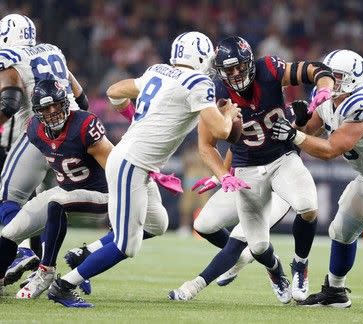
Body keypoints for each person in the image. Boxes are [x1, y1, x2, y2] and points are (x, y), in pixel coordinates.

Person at [46, 31, 242, 308]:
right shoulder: (198, 81)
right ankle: (64, 285)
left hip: (134, 161)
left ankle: (84, 254)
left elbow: (114, 92)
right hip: (132, 164)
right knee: (127, 245)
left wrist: (134, 119)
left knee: (157, 223)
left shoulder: (158, 71)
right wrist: (229, 114)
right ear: (201, 57)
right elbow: (222, 130)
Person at [168, 35, 334, 303]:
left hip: (282, 160)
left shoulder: (268, 69)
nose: (234, 74)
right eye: (228, 70)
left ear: (249, 62)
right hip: (246, 171)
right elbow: (207, 145)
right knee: (257, 246)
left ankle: (300, 264)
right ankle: (274, 269)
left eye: (239, 67)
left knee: (308, 206)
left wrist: (324, 88)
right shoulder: (216, 92)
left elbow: (316, 69)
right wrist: (221, 174)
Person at [271, 49, 363, 308]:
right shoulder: (329, 99)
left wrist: (293, 135)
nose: (332, 81)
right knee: (340, 230)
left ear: (354, 77)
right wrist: (298, 122)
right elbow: (309, 130)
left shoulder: (362, 103)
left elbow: (331, 150)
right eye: (330, 76)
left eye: (338, 76)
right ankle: (335, 292)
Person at [0, 79, 112, 299]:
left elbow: (113, 166)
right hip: (67, 189)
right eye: (46, 108)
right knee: (10, 232)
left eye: (56, 105)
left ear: (65, 104)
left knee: (56, 203)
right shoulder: (34, 129)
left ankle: (46, 272)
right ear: (37, 111)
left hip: (101, 193)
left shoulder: (84, 125)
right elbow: (48, 165)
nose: (52, 111)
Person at [0, 13, 90, 284]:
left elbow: (10, 102)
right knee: (49, 204)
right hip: (76, 132)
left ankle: (21, 251)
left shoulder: (9, 56)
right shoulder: (53, 51)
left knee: (9, 196)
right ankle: (44, 267)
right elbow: (82, 99)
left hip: (39, 131)